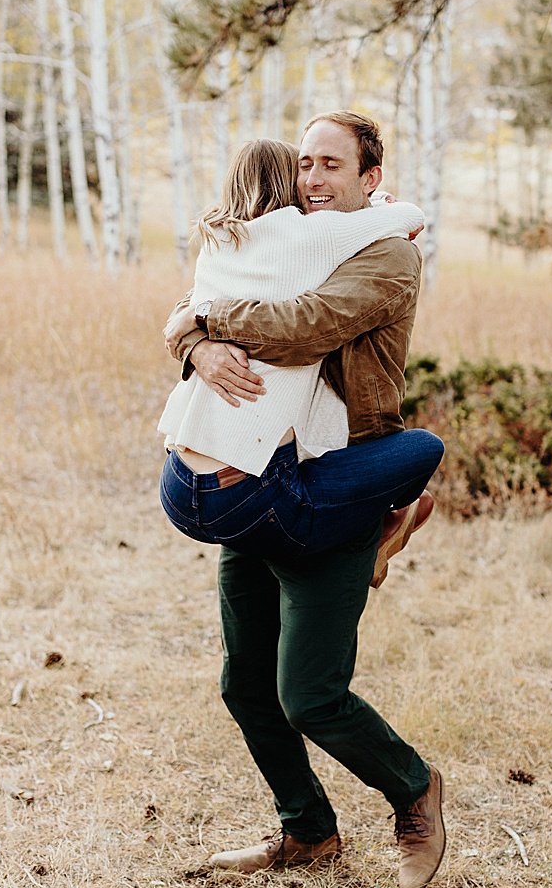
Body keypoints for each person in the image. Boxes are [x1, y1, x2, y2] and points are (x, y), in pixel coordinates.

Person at [163, 113, 446, 888]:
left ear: (369, 180)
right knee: (244, 684)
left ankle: (414, 789)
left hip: (336, 485)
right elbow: (201, 299)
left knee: (309, 694)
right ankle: (308, 832)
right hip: (262, 479)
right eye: (306, 164)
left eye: (332, 165)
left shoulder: (386, 254)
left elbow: (303, 327)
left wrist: (203, 324)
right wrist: (193, 341)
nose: (314, 179)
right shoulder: (282, 238)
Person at [156, 138, 443, 581]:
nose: (311, 180)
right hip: (247, 495)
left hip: (176, 485)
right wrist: (379, 200)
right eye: (303, 168)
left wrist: (193, 332)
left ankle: (381, 525)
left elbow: (194, 306)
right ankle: (384, 528)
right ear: (288, 183)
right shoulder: (308, 236)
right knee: (424, 448)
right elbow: (411, 218)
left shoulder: (215, 241)